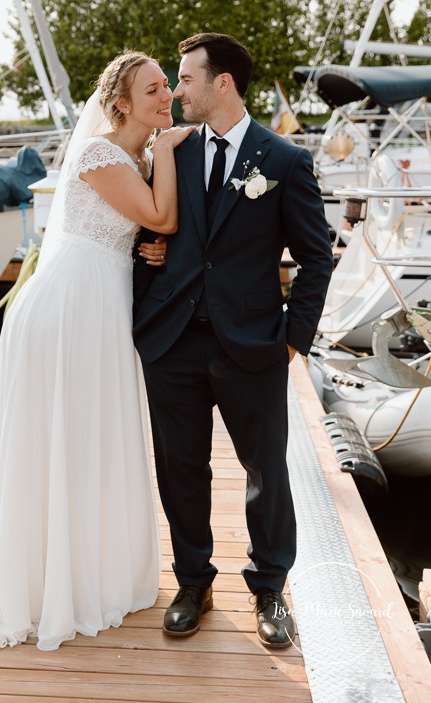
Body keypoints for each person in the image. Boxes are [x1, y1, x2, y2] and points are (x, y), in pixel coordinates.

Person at [0, 51, 191, 651]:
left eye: (168, 86)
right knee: (55, 437)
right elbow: (162, 216)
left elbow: (146, 230)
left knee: (89, 434)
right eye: (154, 89)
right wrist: (166, 154)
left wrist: (149, 242)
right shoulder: (102, 154)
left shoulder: (137, 156)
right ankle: (39, 577)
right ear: (122, 103)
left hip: (105, 305)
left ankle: (88, 567)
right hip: (67, 308)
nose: (167, 96)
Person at [133, 32, 333, 649]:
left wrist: (294, 339)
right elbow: (144, 234)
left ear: (222, 83)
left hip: (253, 344)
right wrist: (148, 264)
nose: (177, 91)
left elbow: (316, 258)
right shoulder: (170, 151)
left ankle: (269, 587)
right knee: (180, 469)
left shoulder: (285, 161)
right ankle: (193, 583)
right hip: (172, 342)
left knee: (265, 471)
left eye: (186, 79)